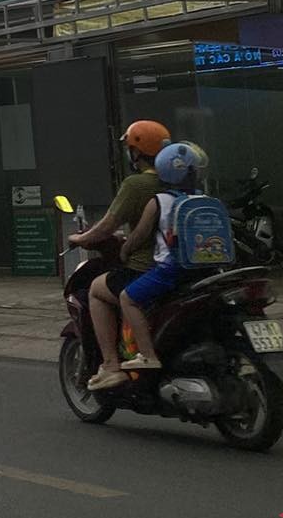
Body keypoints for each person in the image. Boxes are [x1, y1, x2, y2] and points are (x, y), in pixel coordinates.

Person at [90, 140, 208, 390]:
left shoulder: (159, 201)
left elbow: (140, 234)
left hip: (171, 270)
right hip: (203, 270)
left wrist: (125, 249)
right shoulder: (203, 198)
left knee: (128, 298)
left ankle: (147, 355)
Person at [67, 119, 171, 370]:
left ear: (136, 152)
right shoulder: (176, 185)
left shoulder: (137, 184)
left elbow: (106, 226)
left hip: (145, 267)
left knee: (96, 289)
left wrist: (80, 238)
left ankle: (111, 364)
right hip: (178, 265)